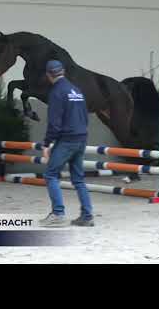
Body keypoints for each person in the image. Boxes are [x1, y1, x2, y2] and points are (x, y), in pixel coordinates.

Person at [38, 60, 94, 228]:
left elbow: (54, 123)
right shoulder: (76, 90)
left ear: (48, 75)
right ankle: (87, 215)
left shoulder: (56, 92)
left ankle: (58, 214)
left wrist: (47, 144)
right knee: (78, 179)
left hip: (67, 139)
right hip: (81, 137)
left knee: (50, 174)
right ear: (63, 72)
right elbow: (85, 116)